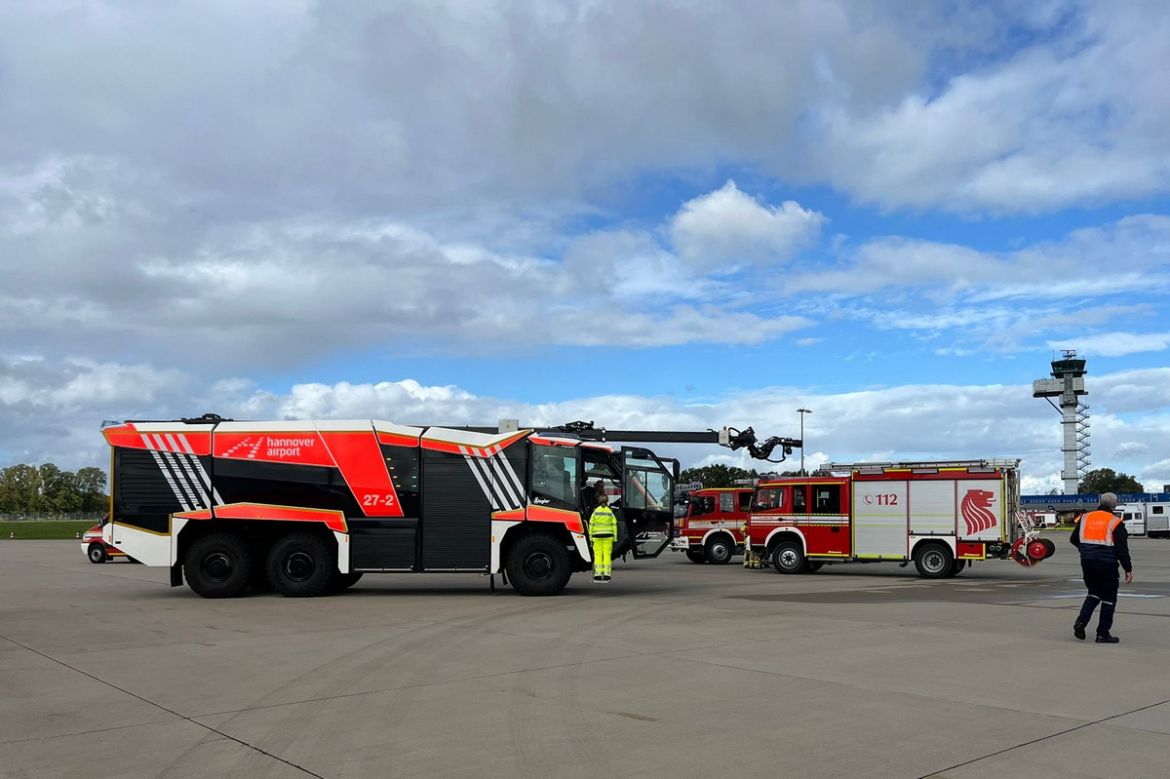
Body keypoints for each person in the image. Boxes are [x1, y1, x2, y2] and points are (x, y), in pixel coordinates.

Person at [1070, 492, 1133, 643]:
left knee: (1093, 593)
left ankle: (1080, 622)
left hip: (1087, 562)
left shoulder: (1085, 518)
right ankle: (1102, 633)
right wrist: (1128, 569)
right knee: (1109, 598)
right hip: (1107, 564)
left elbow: (1073, 539)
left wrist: (1085, 549)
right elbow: (1121, 549)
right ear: (1114, 505)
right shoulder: (1115, 522)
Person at [588, 492, 618, 583]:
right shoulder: (610, 512)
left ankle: (597, 575)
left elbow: (591, 525)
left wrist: (590, 538)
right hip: (608, 536)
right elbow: (614, 525)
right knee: (607, 555)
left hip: (596, 536)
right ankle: (607, 575)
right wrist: (615, 538)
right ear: (607, 501)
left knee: (597, 555)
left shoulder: (595, 512)